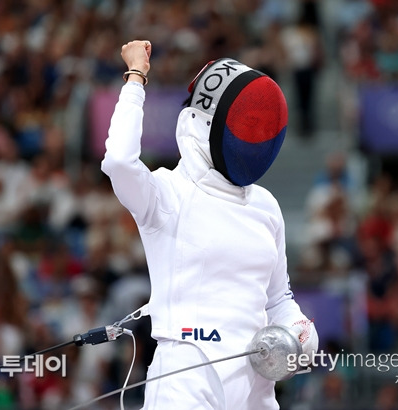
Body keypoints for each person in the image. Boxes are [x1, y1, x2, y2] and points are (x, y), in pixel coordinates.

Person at [101, 40, 318, 409]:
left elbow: (278, 299)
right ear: (203, 123)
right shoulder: (167, 194)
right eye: (245, 122)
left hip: (256, 382)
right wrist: (135, 77)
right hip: (185, 377)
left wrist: (300, 332)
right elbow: (120, 162)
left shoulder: (265, 205)